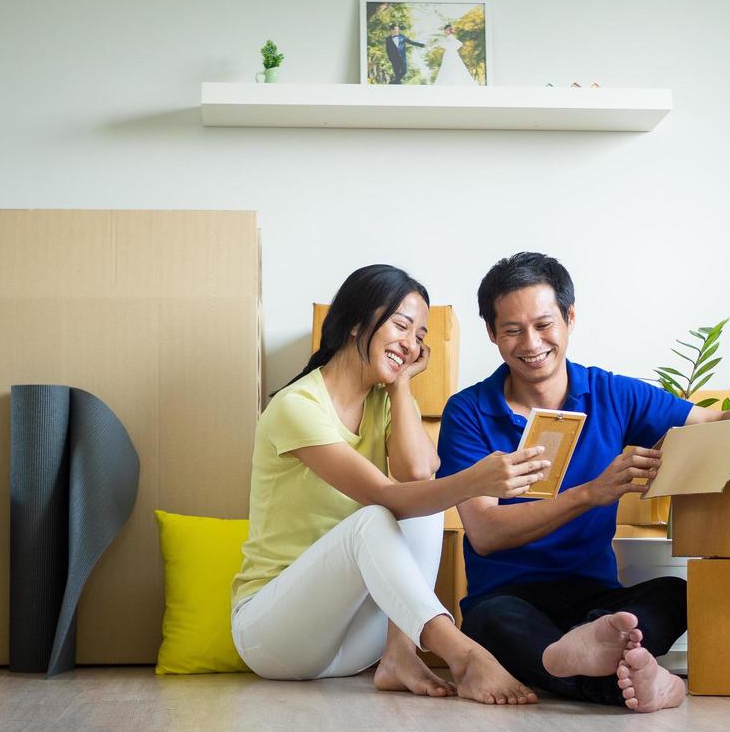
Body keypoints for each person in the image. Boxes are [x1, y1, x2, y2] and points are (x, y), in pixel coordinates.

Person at [435, 252, 730, 713]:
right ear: (492, 334)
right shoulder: (468, 412)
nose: (531, 343)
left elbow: (713, 423)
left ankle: (590, 649)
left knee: (675, 592)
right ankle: (633, 677)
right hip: (508, 598)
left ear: (569, 317)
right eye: (512, 330)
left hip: (594, 601)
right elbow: (487, 533)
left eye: (543, 324)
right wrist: (590, 494)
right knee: (490, 622)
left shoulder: (612, 393)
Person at [230, 264, 550, 705]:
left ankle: (399, 656)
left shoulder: (381, 401)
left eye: (420, 336)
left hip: (347, 647)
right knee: (380, 514)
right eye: (401, 325)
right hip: (275, 637)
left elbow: (419, 474)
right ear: (357, 321)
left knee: (424, 505)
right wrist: (477, 479)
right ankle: (462, 654)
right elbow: (386, 497)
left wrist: (400, 388)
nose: (411, 343)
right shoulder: (297, 406)